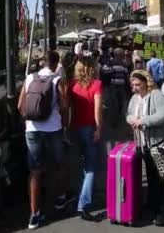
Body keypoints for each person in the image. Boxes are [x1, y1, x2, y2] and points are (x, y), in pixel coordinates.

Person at [17, 51, 75, 230]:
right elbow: (65, 106)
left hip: (32, 130)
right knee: (59, 164)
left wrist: (30, 122)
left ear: (43, 62)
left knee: (35, 171)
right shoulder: (58, 80)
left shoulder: (29, 78)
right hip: (53, 129)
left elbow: (20, 106)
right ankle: (60, 198)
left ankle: (34, 215)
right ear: (56, 63)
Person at [126, 70, 164, 227]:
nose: (135, 87)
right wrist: (132, 120)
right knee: (151, 177)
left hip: (157, 143)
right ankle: (151, 205)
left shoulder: (156, 95)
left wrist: (143, 121)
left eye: (138, 84)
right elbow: (129, 114)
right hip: (142, 144)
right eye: (133, 85)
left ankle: (162, 212)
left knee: (159, 179)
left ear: (146, 82)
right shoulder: (134, 98)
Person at [69, 58, 103, 222]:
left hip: (75, 128)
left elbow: (67, 108)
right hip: (89, 127)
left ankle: (84, 193)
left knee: (84, 163)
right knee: (91, 167)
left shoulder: (72, 86)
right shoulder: (97, 84)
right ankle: (83, 204)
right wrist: (99, 128)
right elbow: (97, 110)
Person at [101, 48, 130, 129]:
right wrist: (111, 70)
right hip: (113, 86)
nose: (123, 56)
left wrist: (129, 84)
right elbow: (103, 70)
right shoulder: (110, 62)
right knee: (114, 104)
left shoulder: (123, 64)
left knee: (120, 103)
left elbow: (126, 75)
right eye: (122, 54)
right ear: (117, 54)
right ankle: (114, 121)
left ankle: (118, 115)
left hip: (121, 86)